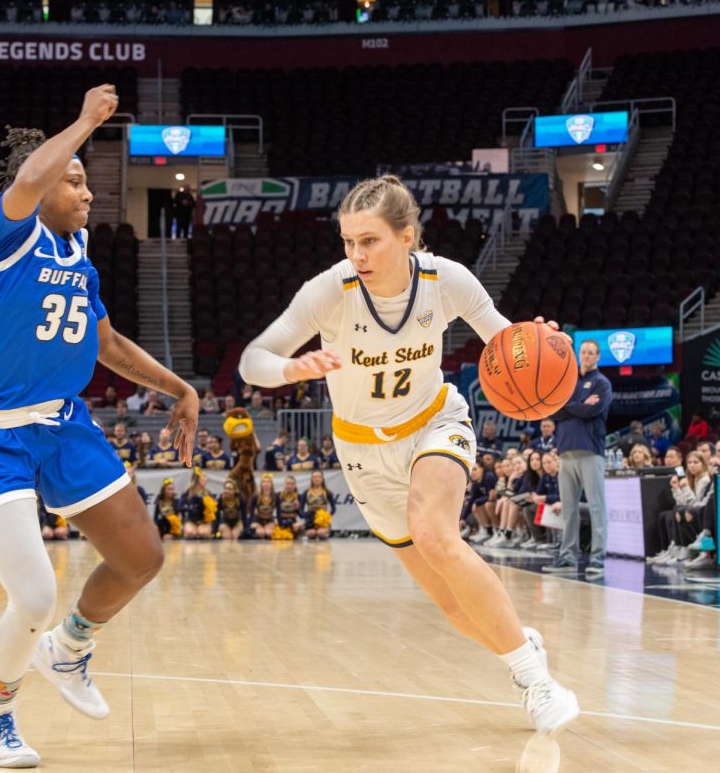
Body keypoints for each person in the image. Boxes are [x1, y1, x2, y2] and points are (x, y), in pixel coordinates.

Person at [238, 174, 577, 732]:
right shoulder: (330, 291)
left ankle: (536, 683)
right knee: (451, 607)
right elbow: (254, 359)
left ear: (407, 235)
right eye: (348, 241)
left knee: (436, 534)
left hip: (433, 424)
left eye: (369, 240)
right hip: (364, 453)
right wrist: (288, 369)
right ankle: (520, 643)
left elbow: (505, 342)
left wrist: (535, 342)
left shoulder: (448, 280)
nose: (356, 253)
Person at [0, 86, 199, 768]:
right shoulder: (4, 235)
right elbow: (28, 178)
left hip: (60, 424)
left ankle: (70, 648)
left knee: (142, 555)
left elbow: (107, 348)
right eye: (75, 180)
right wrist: (85, 123)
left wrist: (179, 389)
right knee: (32, 593)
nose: (88, 194)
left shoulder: (75, 252)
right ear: (46, 183)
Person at [542, 339, 612, 579]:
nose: (587, 356)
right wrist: (578, 405)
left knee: (596, 506)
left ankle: (598, 559)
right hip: (565, 452)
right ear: (579, 354)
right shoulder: (569, 382)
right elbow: (553, 411)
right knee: (569, 509)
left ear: (598, 357)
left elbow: (591, 411)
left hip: (590, 451)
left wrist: (569, 407)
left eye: (592, 353)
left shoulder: (602, 384)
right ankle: (568, 557)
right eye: (584, 352)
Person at [180, 468, 216, 539]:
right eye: (204, 477)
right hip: (191, 520)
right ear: (199, 479)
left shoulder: (208, 493)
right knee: (191, 533)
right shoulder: (188, 492)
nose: (206, 479)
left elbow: (213, 511)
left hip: (204, 521)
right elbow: (180, 507)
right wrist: (189, 508)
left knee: (203, 534)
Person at [303, 469, 335, 540]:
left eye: (319, 477)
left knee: (321, 533)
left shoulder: (327, 492)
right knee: (311, 534)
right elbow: (300, 509)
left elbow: (333, 509)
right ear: (311, 479)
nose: (317, 479)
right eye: (314, 477)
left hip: (322, 520)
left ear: (322, 478)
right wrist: (306, 515)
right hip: (310, 520)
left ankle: (326, 531)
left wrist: (327, 517)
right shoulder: (307, 492)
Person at [249, 472, 279, 538]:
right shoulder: (255, 496)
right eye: (264, 482)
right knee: (260, 533)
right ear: (261, 484)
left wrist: (279, 523)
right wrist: (250, 525)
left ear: (271, 484)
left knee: (268, 533)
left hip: (269, 520)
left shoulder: (276, 496)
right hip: (257, 520)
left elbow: (279, 512)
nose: (266, 484)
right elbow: (251, 513)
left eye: (268, 482)